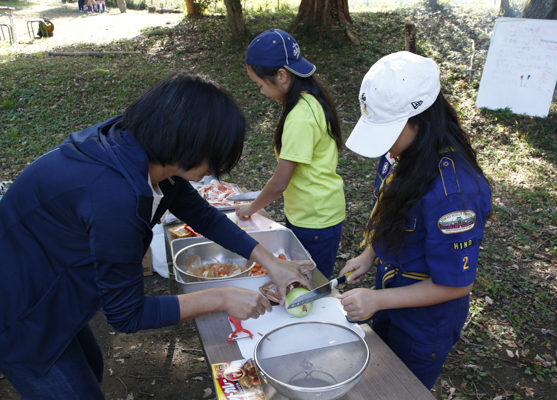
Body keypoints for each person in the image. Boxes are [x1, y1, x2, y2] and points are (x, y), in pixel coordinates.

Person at [0, 71, 312, 399]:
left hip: (50, 281)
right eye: (214, 156)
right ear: (186, 143)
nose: (215, 170)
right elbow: (127, 314)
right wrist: (221, 298)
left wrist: (271, 263)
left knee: (89, 366)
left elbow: (203, 214)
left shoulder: (142, 149)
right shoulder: (115, 198)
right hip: (19, 310)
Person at [337, 51, 492, 390]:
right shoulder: (400, 154)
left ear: (420, 119)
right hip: (389, 294)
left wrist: (377, 300)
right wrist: (368, 254)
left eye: (388, 130)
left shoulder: (455, 194)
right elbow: (387, 209)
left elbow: (457, 283)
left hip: (425, 322)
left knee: (402, 389)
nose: (384, 144)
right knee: (375, 380)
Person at [235, 29, 346, 279]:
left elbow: (280, 182)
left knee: (311, 283)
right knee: (309, 277)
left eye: (260, 84)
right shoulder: (310, 101)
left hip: (315, 217)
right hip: (316, 210)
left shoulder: (300, 117)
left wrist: (251, 208)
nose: (261, 91)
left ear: (282, 76)